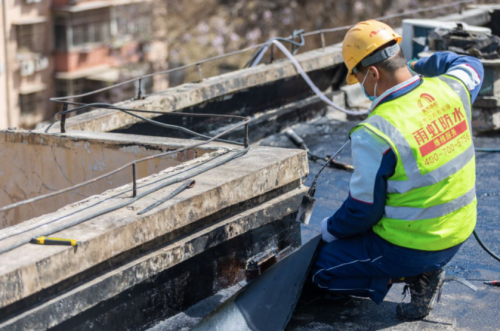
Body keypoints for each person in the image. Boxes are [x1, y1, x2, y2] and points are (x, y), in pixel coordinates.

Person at [310, 19, 484, 320]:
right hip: (459, 232)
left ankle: (408, 276)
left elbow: (362, 212)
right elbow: (471, 64)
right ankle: (424, 270)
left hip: (408, 247)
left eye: (360, 78)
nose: (363, 87)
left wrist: (325, 232)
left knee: (319, 270)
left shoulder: (376, 132)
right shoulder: (452, 89)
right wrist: (423, 63)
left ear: (374, 74)